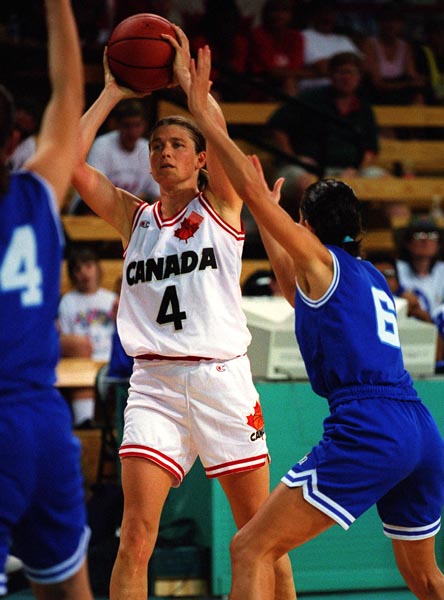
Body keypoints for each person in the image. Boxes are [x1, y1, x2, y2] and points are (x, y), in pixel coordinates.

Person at [186, 44, 444, 600]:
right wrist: (263, 209)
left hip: (369, 424)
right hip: (420, 425)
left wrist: (203, 109)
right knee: (425, 578)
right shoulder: (367, 274)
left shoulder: (320, 261)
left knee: (249, 548)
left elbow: (253, 193)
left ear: (306, 225)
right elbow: (293, 283)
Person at [70, 25, 296, 600]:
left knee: (262, 534)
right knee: (134, 539)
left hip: (222, 379)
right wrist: (113, 94)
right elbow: (69, 164)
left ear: (200, 161)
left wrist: (197, 98)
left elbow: (222, 143)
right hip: (154, 384)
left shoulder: (221, 204)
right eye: (156, 146)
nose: (164, 152)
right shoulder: (134, 218)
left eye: (177, 145)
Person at [0, 0, 93, 598]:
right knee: (68, 591)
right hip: (44, 424)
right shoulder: (35, 194)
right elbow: (68, 94)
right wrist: (58, 5)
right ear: (12, 138)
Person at [266, 51, 386, 219]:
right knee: (310, 185)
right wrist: (293, 158)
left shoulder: (364, 109)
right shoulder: (309, 99)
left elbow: (370, 149)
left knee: (390, 186)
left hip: (350, 170)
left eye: (351, 72)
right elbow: (277, 126)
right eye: (340, 72)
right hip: (305, 168)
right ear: (331, 75)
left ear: (359, 77)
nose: (346, 77)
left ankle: (404, 239)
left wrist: (357, 170)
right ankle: (315, 240)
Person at [58, 246, 118, 428]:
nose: (83, 272)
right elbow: (66, 340)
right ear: (72, 274)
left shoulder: (110, 299)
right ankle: (85, 423)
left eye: (88, 265)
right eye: (77, 268)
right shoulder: (68, 301)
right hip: (83, 362)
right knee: (80, 367)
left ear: (97, 269)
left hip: (109, 361)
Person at [69, 99, 160, 214]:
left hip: (128, 212)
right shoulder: (102, 145)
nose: (132, 132)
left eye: (137, 125)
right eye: (127, 126)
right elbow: (93, 192)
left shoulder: (147, 150)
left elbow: (157, 196)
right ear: (116, 126)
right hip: (91, 210)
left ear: (144, 126)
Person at [361, 2, 425, 106]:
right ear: (380, 23)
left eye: (396, 20)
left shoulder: (405, 46)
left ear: (402, 24)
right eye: (386, 20)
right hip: (377, 94)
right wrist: (407, 84)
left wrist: (419, 82)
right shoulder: (370, 44)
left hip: (398, 93)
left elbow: (412, 75)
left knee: (419, 94)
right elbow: (377, 83)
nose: (391, 25)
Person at [247, 0, 305, 99]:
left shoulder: (296, 37)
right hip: (260, 83)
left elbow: (295, 67)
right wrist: (314, 73)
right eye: (275, 11)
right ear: (266, 13)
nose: (279, 15)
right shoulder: (257, 34)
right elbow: (271, 71)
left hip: (289, 82)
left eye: (284, 11)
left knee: (290, 81)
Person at [366, 250, 432, 323]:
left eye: (389, 274)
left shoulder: (412, 297)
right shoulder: (361, 298)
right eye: (377, 275)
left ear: (397, 279)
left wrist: (416, 310)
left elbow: (433, 330)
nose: (384, 279)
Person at [396, 218, 444, 318]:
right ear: (407, 243)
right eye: (419, 235)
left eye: (432, 236)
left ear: (438, 245)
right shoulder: (396, 269)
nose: (426, 240)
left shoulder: (442, 271)